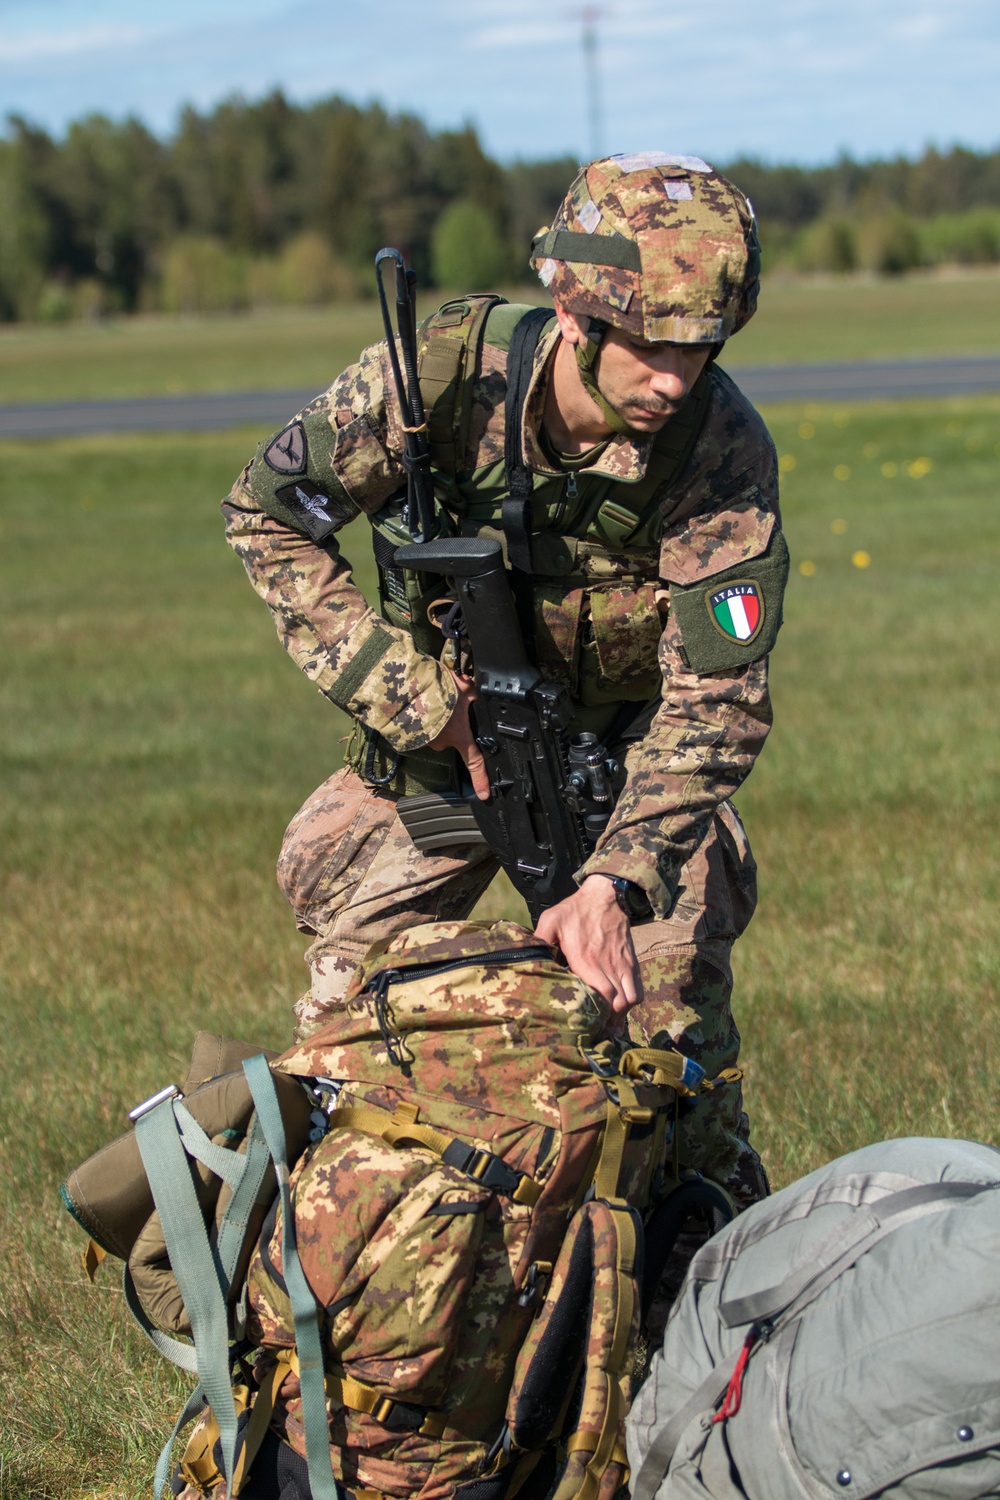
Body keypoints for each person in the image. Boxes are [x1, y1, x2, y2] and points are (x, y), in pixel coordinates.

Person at [223, 152, 788, 1214]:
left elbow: (720, 700)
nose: (676, 379)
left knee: (674, 1047)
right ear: (576, 316)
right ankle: (315, 1288)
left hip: (622, 775)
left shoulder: (718, 448)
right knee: (347, 1030)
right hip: (445, 758)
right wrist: (417, 702)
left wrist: (615, 883)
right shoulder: (439, 380)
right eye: (652, 348)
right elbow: (265, 515)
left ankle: (717, 1283)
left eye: (702, 348)